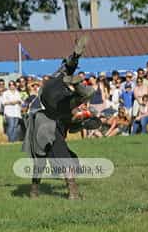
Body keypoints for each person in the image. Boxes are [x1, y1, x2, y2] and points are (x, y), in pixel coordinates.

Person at [22, 35, 99, 200]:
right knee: (63, 158)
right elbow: (70, 122)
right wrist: (81, 121)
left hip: (49, 106)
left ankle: (34, 191)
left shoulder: (54, 82)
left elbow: (70, 123)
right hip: (49, 120)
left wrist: (82, 121)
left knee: (40, 161)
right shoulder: (58, 105)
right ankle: (73, 192)